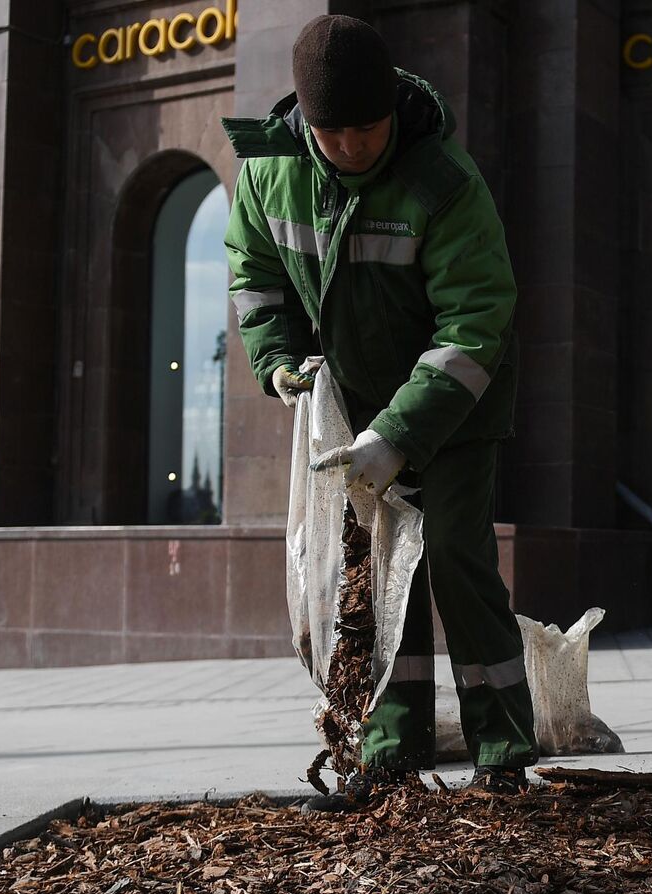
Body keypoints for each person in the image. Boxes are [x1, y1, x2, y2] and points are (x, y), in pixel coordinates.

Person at [223, 15, 537, 800]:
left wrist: (398, 434)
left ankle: (500, 750)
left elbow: (476, 321)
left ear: (393, 110)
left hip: (456, 405)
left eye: (368, 129)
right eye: (334, 133)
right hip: (346, 407)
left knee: (458, 561)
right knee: (370, 575)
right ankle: (392, 742)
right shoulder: (268, 169)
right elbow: (256, 277)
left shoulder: (443, 181)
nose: (354, 148)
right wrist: (277, 363)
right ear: (306, 120)